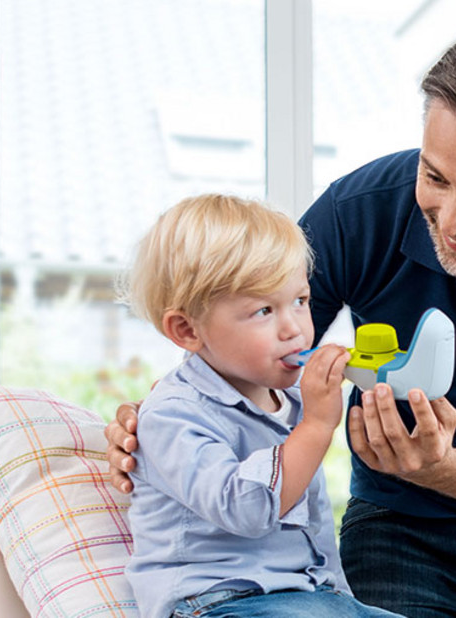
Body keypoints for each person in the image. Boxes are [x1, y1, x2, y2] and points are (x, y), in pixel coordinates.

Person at [108, 30, 456, 616]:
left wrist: (439, 467)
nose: (452, 221)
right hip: (398, 522)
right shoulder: (358, 212)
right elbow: (238, 346)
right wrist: (165, 421)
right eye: (435, 177)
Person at [120, 194, 399, 618]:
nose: (294, 330)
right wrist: (316, 426)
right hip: (218, 601)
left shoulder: (292, 398)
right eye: (264, 310)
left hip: (313, 595)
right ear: (187, 330)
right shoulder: (172, 414)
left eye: (300, 301)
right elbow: (246, 510)